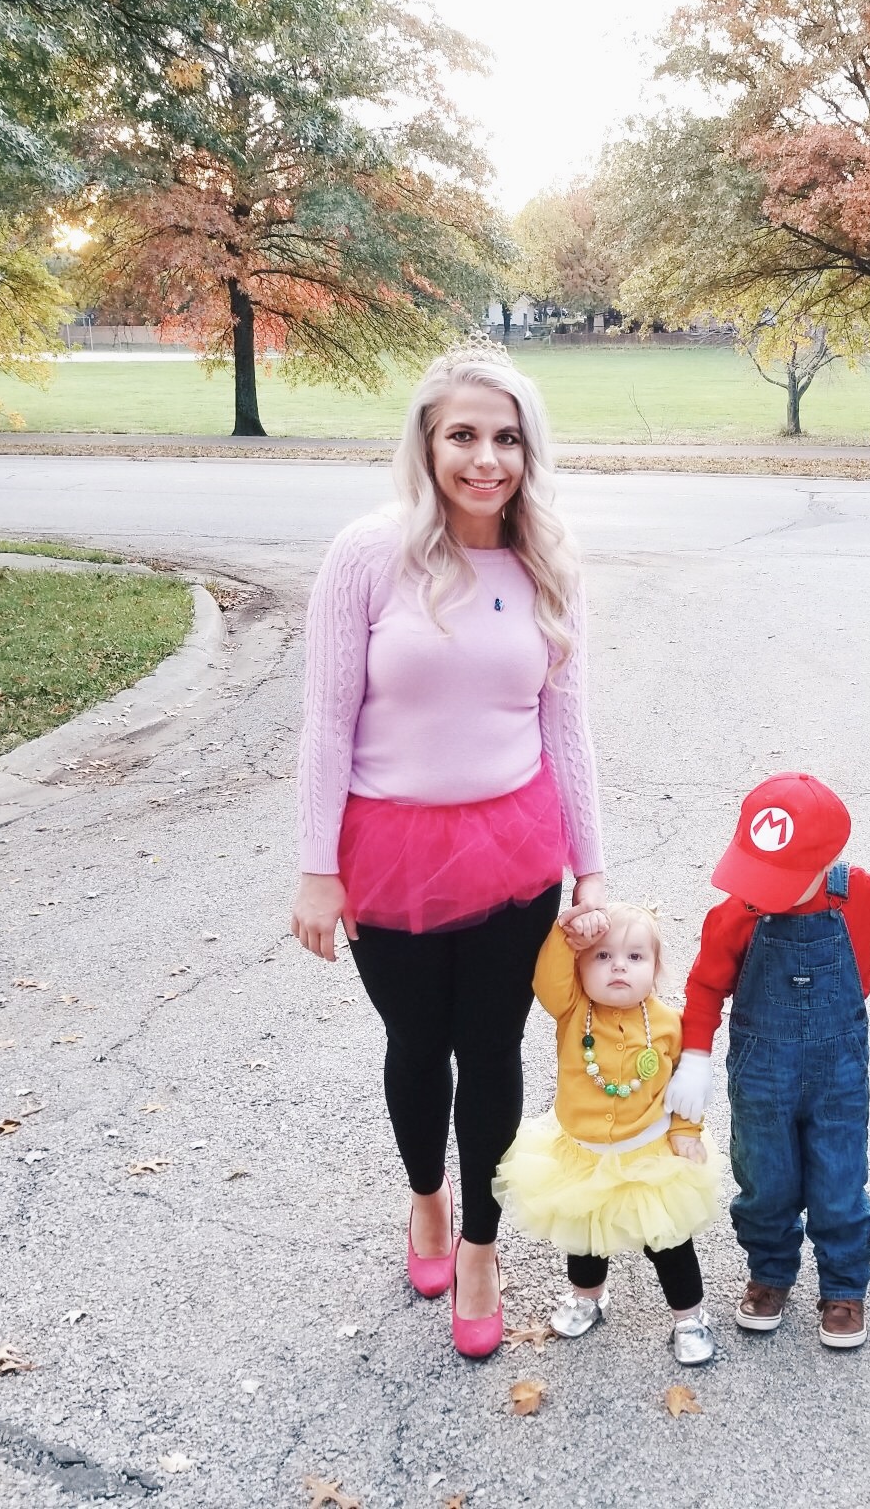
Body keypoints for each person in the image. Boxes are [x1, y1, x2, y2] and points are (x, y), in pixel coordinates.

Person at [291, 340, 606, 1359]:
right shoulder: (368, 556)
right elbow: (325, 720)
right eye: (462, 436)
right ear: (427, 446)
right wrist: (314, 866)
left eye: (505, 438)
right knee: (417, 1047)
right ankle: (426, 1199)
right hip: (388, 853)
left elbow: (568, 727)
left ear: (528, 450)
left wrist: (591, 866)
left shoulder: (545, 560)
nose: (486, 459)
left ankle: (479, 1243)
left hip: (515, 851)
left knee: (495, 1051)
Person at [663, 772, 870, 1350]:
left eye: (772, 877)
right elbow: (705, 987)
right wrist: (695, 1056)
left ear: (821, 864)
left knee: (840, 1181)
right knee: (764, 1180)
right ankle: (770, 1273)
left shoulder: (859, 897)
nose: (755, 890)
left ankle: (845, 1285)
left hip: (838, 1076)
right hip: (760, 1075)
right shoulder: (737, 914)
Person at [493, 905, 724, 1365]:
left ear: (655, 971)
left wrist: (685, 1130)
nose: (619, 966)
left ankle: (689, 1317)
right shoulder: (572, 1009)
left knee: (670, 1243)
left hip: (649, 1154)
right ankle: (588, 1297)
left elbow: (686, 1087)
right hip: (584, 1156)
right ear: (580, 969)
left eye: (636, 957)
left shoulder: (668, 1025)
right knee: (586, 1237)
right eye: (601, 957)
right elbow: (547, 978)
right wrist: (567, 935)